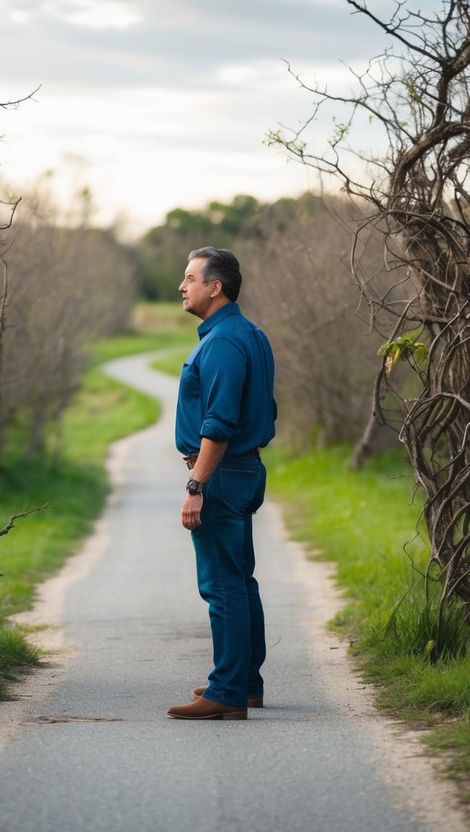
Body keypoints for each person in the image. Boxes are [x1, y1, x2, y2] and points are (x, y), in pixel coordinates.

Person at [167, 247, 276, 721]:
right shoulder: (249, 334)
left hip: (223, 474)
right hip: (244, 471)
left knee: (222, 585)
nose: (181, 286)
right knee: (241, 579)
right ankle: (246, 682)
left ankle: (227, 691)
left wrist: (196, 485)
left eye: (190, 277)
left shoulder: (224, 342)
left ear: (216, 287)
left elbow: (220, 422)